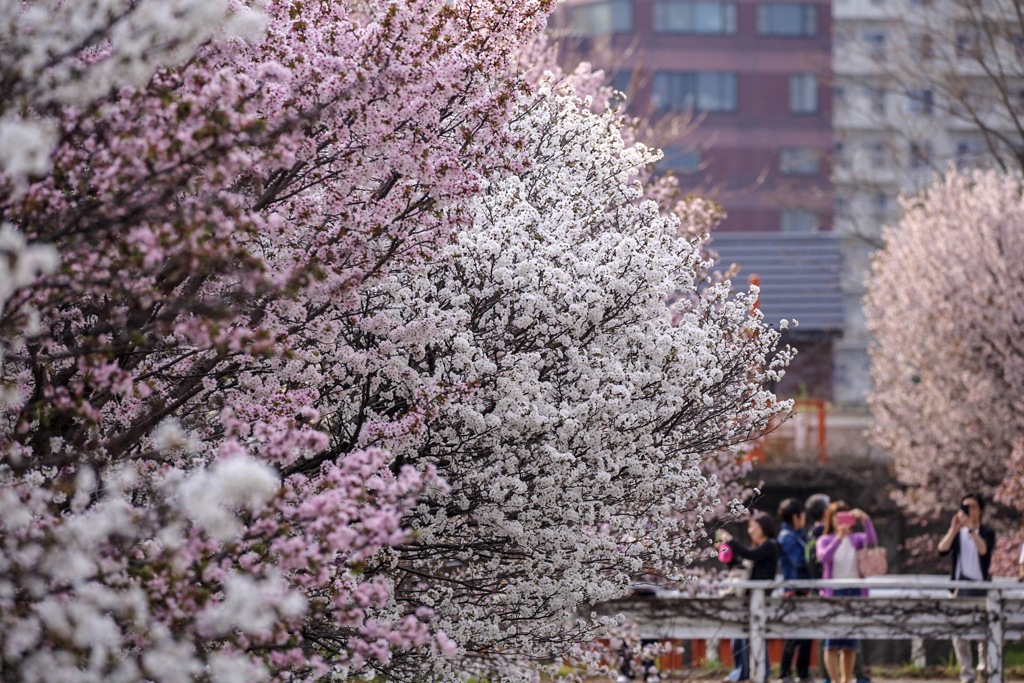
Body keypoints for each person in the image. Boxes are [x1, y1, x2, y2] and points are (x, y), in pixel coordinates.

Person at [937, 493, 996, 683]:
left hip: (981, 585)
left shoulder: (987, 532)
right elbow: (942, 549)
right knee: (960, 632)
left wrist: (972, 530)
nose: (968, 511)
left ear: (980, 510)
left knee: (985, 632)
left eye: (972, 507)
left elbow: (983, 550)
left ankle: (984, 669)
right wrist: (954, 529)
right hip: (960, 586)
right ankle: (967, 673)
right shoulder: (958, 534)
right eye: (965, 507)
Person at [816, 502, 876, 683]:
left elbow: (872, 541)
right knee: (832, 642)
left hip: (854, 591)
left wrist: (866, 520)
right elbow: (823, 557)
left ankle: (846, 679)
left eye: (844, 517)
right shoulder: (825, 539)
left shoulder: (857, 539)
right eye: (837, 516)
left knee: (851, 643)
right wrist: (838, 539)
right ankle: (834, 679)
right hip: (833, 592)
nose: (840, 521)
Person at [718, 511, 781, 683]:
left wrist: (732, 541)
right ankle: (743, 672)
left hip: (760, 600)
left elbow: (749, 555)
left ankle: (753, 672)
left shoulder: (770, 546)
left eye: (754, 526)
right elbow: (740, 565)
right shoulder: (757, 548)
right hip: (749, 599)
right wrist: (725, 549)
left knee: (753, 637)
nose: (750, 530)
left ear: (765, 527)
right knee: (742, 637)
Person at [777, 498, 814, 683]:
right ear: (795, 516)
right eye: (802, 514)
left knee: (806, 634)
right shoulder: (787, 537)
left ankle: (803, 671)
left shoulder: (798, 534)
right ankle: (785, 673)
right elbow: (799, 561)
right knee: (795, 633)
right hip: (794, 590)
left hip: (804, 588)